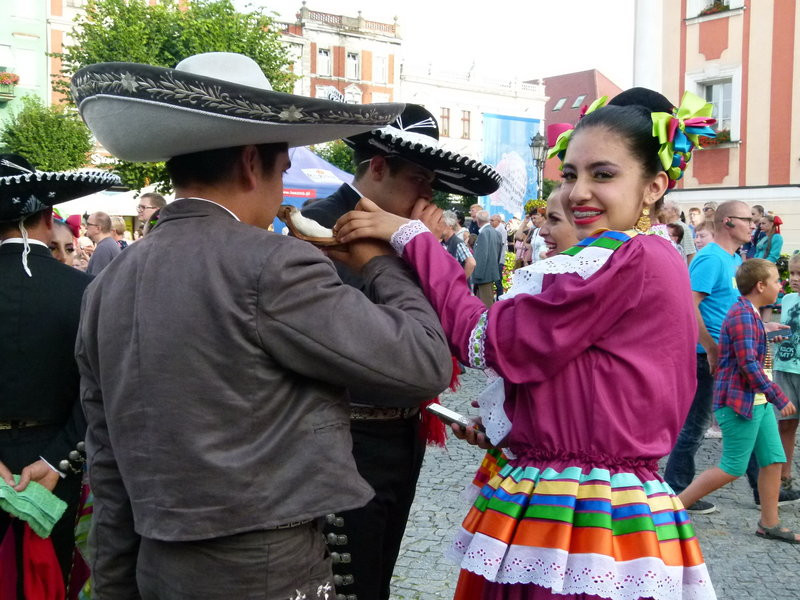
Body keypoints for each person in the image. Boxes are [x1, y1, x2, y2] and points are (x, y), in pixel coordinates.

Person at [72, 52, 453, 599]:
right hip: (268, 571)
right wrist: (380, 262)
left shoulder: (108, 283)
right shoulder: (272, 262)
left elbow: (107, 464)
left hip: (158, 566)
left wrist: (115, 587)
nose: (282, 188)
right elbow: (423, 363)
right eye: (282, 168)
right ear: (253, 162)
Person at [333, 88, 718, 599]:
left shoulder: (624, 258)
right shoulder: (642, 255)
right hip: (585, 493)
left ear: (653, 187)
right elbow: (590, 382)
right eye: (570, 175)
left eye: (603, 174)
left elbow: (487, 340)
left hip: (582, 506)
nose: (578, 193)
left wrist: (414, 239)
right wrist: (516, 426)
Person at [302, 103, 499, 600]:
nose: (427, 196)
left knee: (380, 574)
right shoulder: (321, 224)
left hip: (401, 430)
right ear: (378, 166)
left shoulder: (408, 233)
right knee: (351, 582)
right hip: (345, 437)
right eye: (418, 179)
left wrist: (422, 246)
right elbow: (379, 337)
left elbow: (452, 331)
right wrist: (416, 247)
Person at [0, 153, 118, 596]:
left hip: (54, 453)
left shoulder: (87, 289)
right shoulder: (84, 289)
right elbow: (103, 386)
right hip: (58, 455)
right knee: (52, 580)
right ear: (48, 219)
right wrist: (55, 460)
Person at [678, 259, 799, 543]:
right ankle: (669, 510)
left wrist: (767, 332)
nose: (780, 285)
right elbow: (747, 364)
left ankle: (769, 523)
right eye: (776, 281)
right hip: (740, 403)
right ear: (761, 286)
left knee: (773, 460)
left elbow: (748, 344)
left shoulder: (749, 313)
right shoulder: (743, 315)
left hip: (757, 401)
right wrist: (778, 396)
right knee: (732, 466)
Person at [772, 253, 800, 492]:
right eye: (792, 273)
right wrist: (774, 335)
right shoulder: (789, 299)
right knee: (786, 423)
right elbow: (787, 330)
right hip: (785, 367)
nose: (795, 278)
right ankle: (784, 475)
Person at [471, 209, 504, 308]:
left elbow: (481, 256)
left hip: (483, 275)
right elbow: (498, 253)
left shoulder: (484, 233)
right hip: (491, 272)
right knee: (487, 301)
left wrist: (477, 275)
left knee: (486, 304)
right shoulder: (496, 232)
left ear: (478, 220)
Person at [443, 209, 476, 281]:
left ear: (450, 226)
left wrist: (460, 281)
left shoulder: (458, 243)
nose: (439, 227)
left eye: (442, 224)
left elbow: (471, 263)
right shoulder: (443, 241)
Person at [661, 198, 696, 264]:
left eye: (665, 209)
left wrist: (687, 270)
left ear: (674, 212)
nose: (662, 211)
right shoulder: (662, 226)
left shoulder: (683, 228)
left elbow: (690, 253)